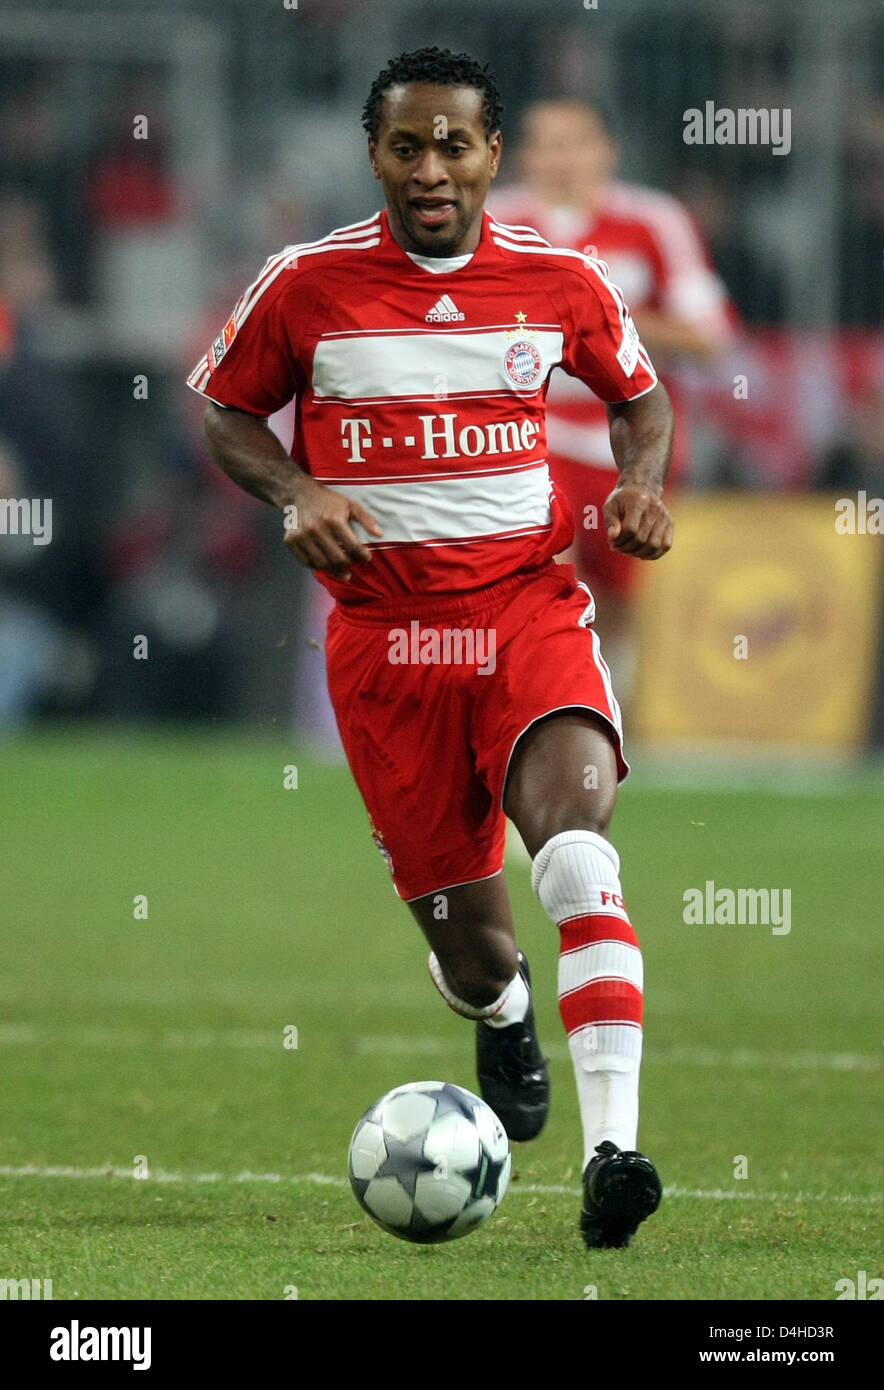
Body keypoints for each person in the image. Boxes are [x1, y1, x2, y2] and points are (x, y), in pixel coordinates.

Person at [189, 47, 674, 1250]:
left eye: (453, 144)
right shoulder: (305, 283)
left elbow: (639, 395)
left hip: (523, 609)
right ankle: (500, 1013)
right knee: (470, 949)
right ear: (375, 155)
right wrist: (297, 487)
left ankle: (615, 1155)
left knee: (573, 848)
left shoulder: (559, 278)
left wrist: (640, 484)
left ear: (490, 155)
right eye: (406, 146)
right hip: (385, 645)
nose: (430, 169)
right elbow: (224, 411)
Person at [490, 100, 734, 697]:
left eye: (574, 142)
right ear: (522, 156)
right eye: (546, 144)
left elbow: (710, 335)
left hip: (630, 442)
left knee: (619, 597)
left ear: (606, 152)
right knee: (548, 575)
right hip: (533, 436)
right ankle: (545, 710)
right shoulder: (494, 223)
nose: (560, 159)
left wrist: (601, 317)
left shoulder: (654, 220)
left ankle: (605, 722)